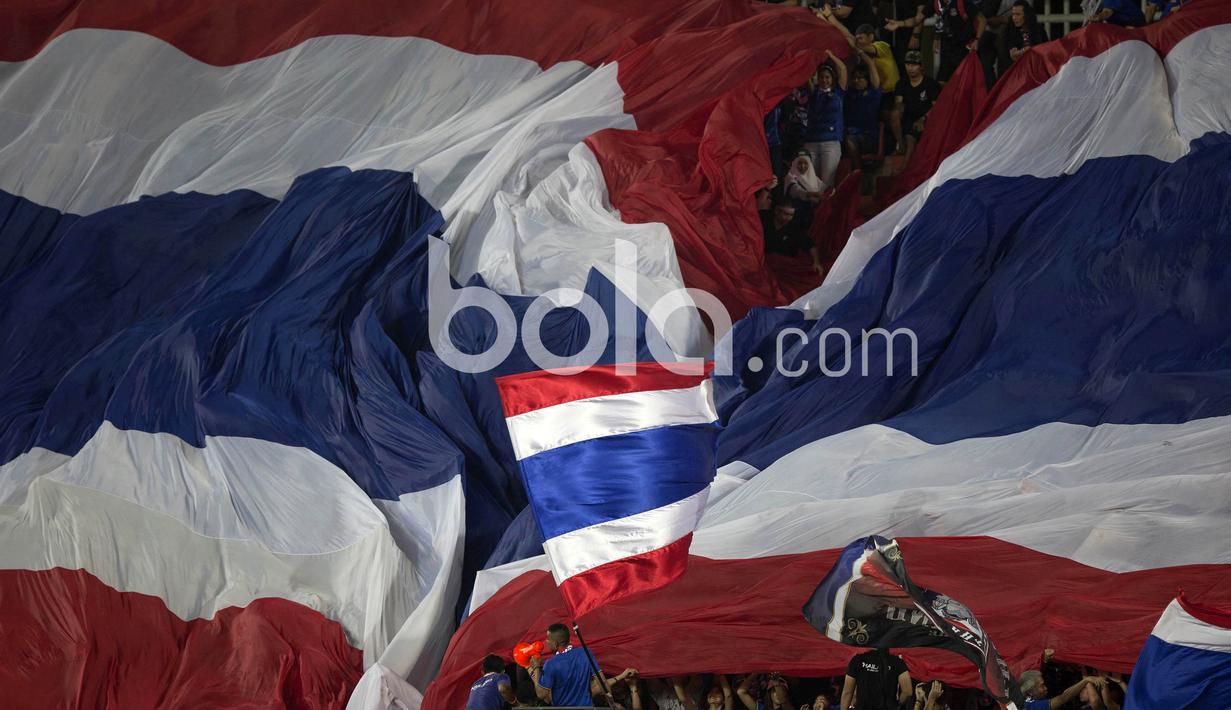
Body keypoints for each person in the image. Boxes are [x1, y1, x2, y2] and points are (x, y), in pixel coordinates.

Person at [528, 622, 636, 707]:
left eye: (548, 640)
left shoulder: (550, 664)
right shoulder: (585, 653)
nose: (546, 642)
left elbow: (541, 694)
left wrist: (537, 668)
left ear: (556, 643)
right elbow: (603, 684)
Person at [886, 0, 985, 83]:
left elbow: (982, 20)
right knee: (941, 82)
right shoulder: (935, 3)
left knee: (965, 83)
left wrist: (977, 40)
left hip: (965, 47)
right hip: (948, 48)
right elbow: (917, 19)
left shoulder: (962, 2)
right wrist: (899, 24)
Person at [804, 50, 848, 189]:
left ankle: (824, 209)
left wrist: (830, 55)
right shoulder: (813, 92)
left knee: (827, 182)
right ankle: (813, 209)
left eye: (827, 77)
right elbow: (807, 75)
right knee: (810, 182)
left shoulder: (838, 93)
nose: (824, 80)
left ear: (832, 78)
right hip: (811, 142)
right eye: (822, 77)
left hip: (830, 143)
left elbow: (843, 69)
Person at [891, 50, 942, 161]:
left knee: (911, 137)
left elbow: (936, 107)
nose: (910, 68)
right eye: (908, 64)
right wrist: (899, 108)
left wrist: (923, 119)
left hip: (926, 119)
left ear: (921, 66)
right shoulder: (902, 83)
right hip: (908, 117)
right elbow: (898, 102)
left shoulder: (930, 84)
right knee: (894, 114)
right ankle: (900, 144)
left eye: (914, 65)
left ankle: (906, 168)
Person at [840, 649, 912, 710]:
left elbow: (847, 692)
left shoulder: (857, 660)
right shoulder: (897, 662)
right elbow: (908, 692)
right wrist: (897, 704)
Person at [1019, 670, 1091, 709]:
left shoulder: (1028, 700)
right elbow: (1063, 698)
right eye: (1042, 686)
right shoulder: (1031, 706)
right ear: (1030, 692)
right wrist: (1085, 681)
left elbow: (1065, 695)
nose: (1046, 688)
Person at [1005, 1, 1048, 66]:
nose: (1014, 18)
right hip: (1016, 68)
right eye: (1013, 14)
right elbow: (1007, 55)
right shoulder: (1008, 30)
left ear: (1027, 15)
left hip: (1036, 66)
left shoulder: (1038, 29)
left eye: (1018, 14)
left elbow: (1044, 49)